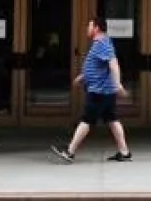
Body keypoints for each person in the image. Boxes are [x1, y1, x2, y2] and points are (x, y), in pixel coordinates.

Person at [51, 16, 131, 163]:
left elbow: (113, 64)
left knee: (86, 120)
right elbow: (98, 66)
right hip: (104, 91)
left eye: (89, 26)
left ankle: (70, 152)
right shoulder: (101, 43)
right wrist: (82, 77)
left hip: (99, 91)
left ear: (96, 28)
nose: (87, 29)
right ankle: (124, 152)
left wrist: (117, 84)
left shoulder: (102, 43)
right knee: (112, 119)